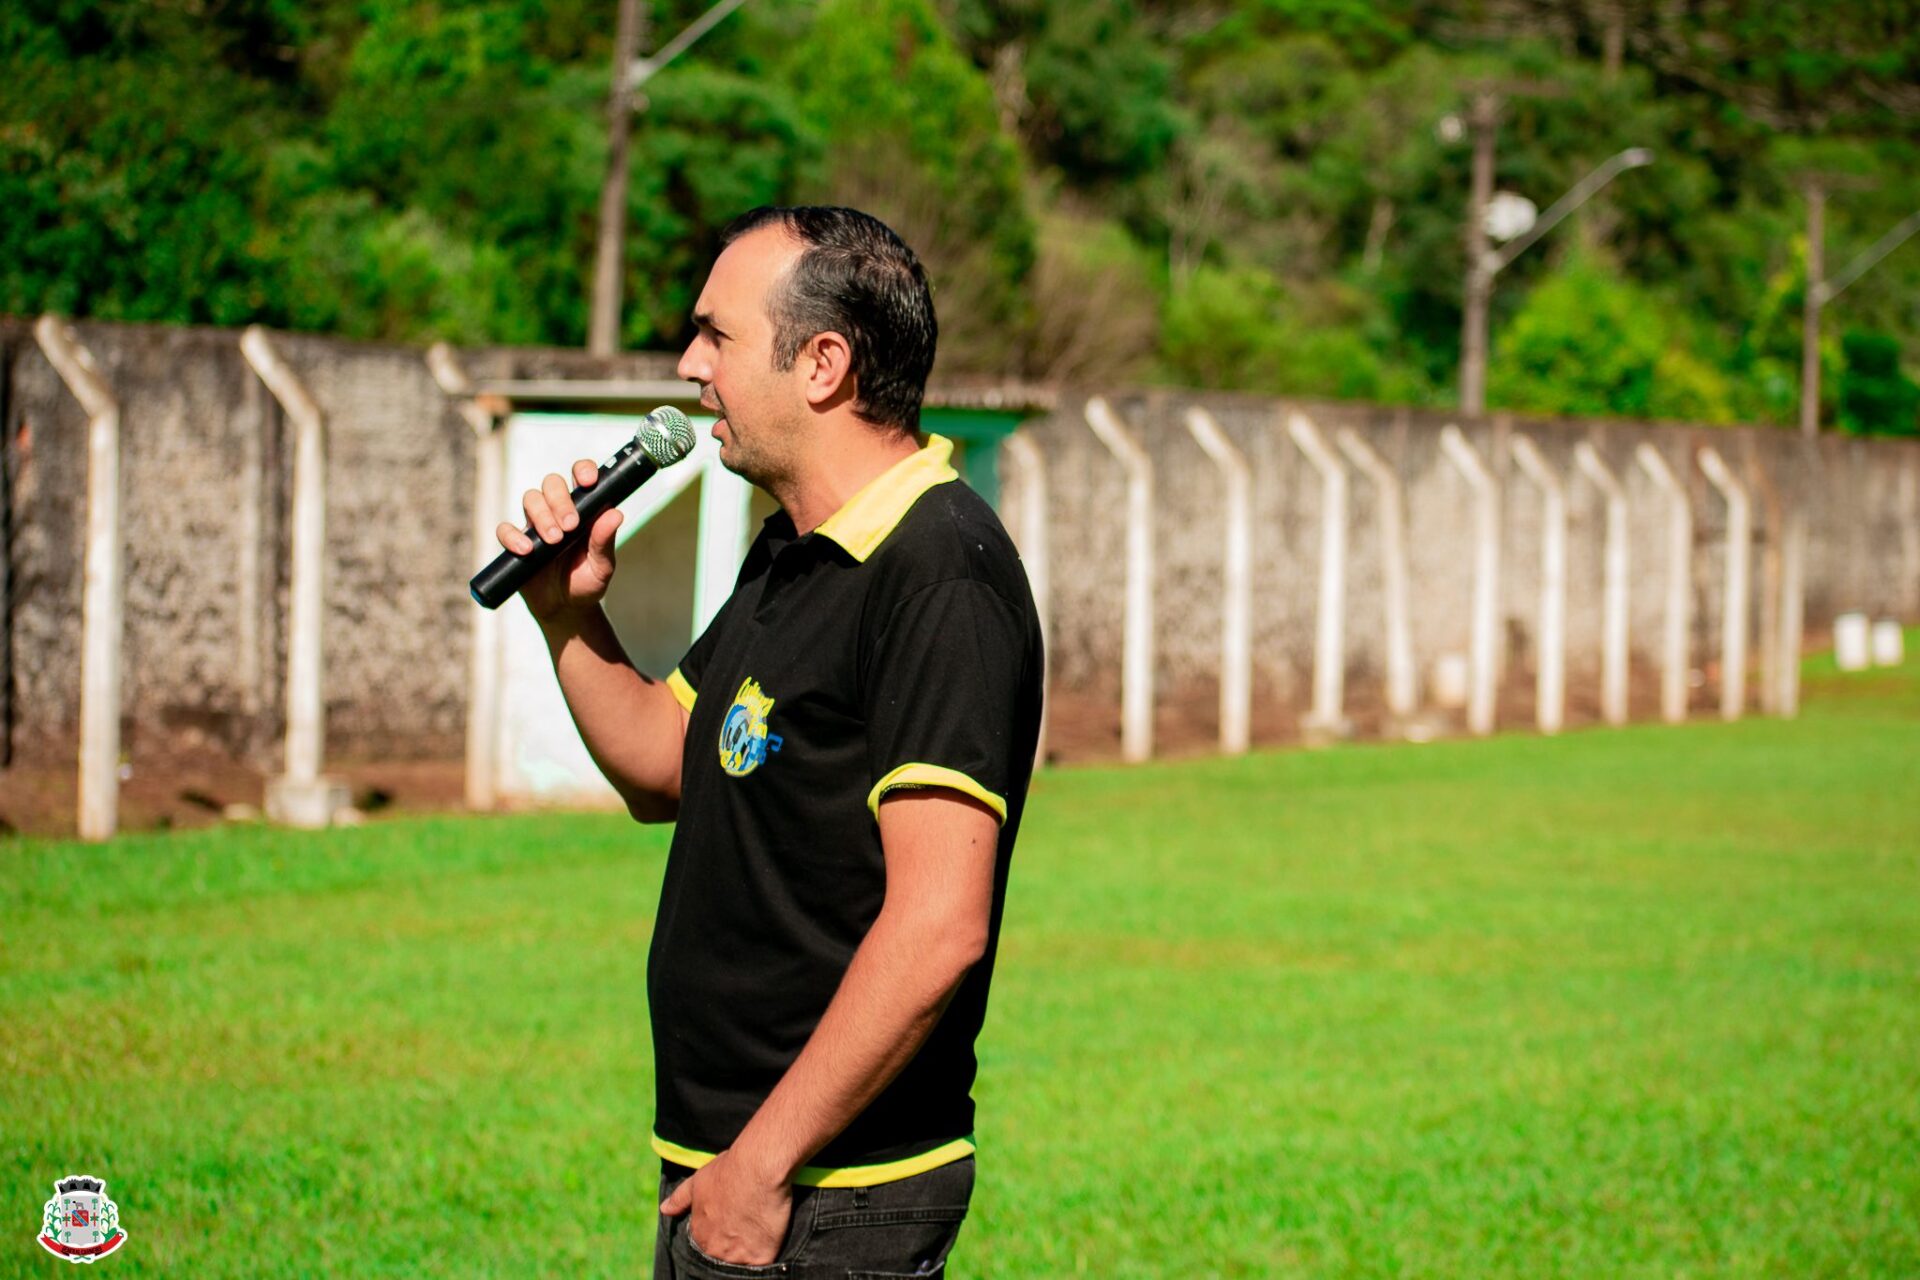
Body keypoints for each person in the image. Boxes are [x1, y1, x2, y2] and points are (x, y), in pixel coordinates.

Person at [497, 205, 1044, 1278]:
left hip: (827, 1197)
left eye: (717, 335)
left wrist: (762, 1165)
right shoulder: (796, 548)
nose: (690, 367)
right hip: (735, 1167)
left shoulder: (940, 573)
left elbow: (939, 924)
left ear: (823, 363)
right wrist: (566, 612)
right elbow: (670, 763)